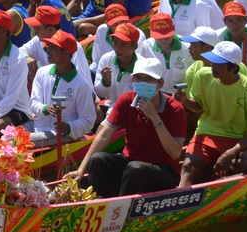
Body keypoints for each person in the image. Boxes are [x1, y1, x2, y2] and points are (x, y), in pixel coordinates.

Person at [70, 57, 186, 197]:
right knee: (98, 160)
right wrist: (82, 168)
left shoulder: (175, 109)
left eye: (148, 79)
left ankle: (119, 206)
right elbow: (104, 135)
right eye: (138, 78)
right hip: (131, 161)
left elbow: (175, 153)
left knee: (135, 169)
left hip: (162, 168)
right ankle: (100, 202)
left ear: (160, 83)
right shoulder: (126, 100)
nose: (142, 83)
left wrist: (155, 118)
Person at [178, 40, 247, 186]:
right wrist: (185, 101)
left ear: (234, 67)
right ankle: (185, 193)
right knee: (187, 167)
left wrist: (231, 152)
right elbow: (198, 106)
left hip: (237, 139)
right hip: (207, 134)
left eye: (218, 63)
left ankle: (215, 174)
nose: (212, 66)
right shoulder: (202, 75)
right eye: (212, 61)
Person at [30, 30, 97, 147]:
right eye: (48, 46)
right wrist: (46, 109)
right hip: (38, 125)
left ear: (66, 54)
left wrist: (68, 127)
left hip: (60, 133)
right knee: (10, 137)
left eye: (53, 48)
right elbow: (34, 102)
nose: (48, 51)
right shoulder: (42, 72)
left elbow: (88, 120)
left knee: (19, 142)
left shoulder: (81, 85)